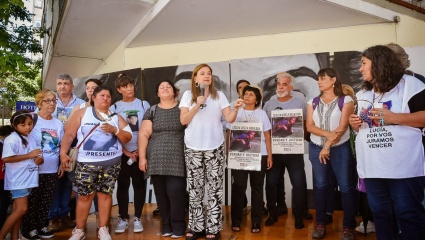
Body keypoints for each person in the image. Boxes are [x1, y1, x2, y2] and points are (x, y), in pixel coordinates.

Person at [349, 45, 425, 240]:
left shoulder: (411, 85)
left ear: (379, 63)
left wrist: (393, 117)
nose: (360, 68)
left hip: (404, 168)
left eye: (364, 63)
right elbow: (364, 128)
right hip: (374, 168)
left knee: (407, 214)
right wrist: (355, 124)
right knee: (382, 215)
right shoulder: (363, 94)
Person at [179, 63, 243, 240]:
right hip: (193, 147)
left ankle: (213, 228)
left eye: (209, 73)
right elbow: (183, 120)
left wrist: (236, 108)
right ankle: (196, 226)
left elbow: (229, 118)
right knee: (195, 189)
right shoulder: (188, 95)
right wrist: (196, 105)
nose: (207, 76)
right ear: (195, 78)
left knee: (215, 189)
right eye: (202, 73)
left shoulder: (219, 95)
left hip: (214, 146)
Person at [60, 86, 132, 240]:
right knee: (84, 196)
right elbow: (69, 134)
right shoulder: (82, 113)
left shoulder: (116, 117)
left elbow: (127, 138)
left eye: (108, 96)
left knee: (105, 195)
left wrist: (115, 130)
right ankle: (79, 230)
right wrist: (63, 154)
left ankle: (103, 228)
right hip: (86, 162)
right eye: (102, 95)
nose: (105, 98)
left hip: (111, 163)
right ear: (93, 97)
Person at [306, 68, 357, 240]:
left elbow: (343, 127)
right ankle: (320, 224)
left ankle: (348, 227)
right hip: (315, 147)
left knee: (346, 186)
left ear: (333, 80)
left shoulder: (346, 100)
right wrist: (328, 135)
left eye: (323, 78)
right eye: (318, 79)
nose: (319, 82)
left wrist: (328, 144)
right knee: (320, 186)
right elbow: (309, 127)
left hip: (339, 148)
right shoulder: (312, 102)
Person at [139, 80, 186, 238]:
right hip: (156, 157)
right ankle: (166, 225)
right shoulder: (152, 111)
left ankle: (178, 225)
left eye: (168, 87)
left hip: (177, 157)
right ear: (158, 94)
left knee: (175, 191)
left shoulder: (183, 109)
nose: (165, 89)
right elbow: (144, 135)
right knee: (161, 193)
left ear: (175, 92)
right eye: (161, 87)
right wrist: (142, 157)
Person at [263, 72, 310, 229]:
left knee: (298, 183)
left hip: (293, 152)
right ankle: (272, 213)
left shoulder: (299, 103)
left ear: (291, 87)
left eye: (284, 84)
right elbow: (265, 129)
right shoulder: (268, 104)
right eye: (279, 84)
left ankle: (298, 215)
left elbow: (304, 126)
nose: (281, 87)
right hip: (274, 152)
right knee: (271, 183)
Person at [227, 85, 272, 234]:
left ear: (257, 99)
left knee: (257, 188)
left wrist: (270, 156)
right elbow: (229, 132)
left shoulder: (262, 114)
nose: (247, 96)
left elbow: (267, 136)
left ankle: (256, 221)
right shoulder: (235, 112)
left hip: (260, 155)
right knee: (238, 187)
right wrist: (228, 153)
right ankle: (236, 221)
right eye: (245, 94)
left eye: (251, 94)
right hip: (238, 155)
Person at [21, 90, 64, 239]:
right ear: (39, 103)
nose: (51, 103)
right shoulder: (32, 119)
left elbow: (60, 146)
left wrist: (61, 163)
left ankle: (42, 226)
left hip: (51, 168)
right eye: (47, 100)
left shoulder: (58, 123)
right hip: (33, 169)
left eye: (53, 100)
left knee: (46, 200)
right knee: (32, 200)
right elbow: (23, 142)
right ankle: (28, 229)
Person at [110, 73, 149, 234]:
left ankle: (138, 217)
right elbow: (112, 133)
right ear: (119, 89)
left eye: (131, 85)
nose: (129, 88)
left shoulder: (143, 104)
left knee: (140, 185)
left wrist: (141, 150)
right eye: (125, 86)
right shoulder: (114, 108)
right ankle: (123, 218)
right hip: (122, 153)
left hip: (140, 152)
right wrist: (125, 151)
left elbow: (148, 128)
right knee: (123, 186)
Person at [48, 73, 85, 232]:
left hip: (73, 147)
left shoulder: (81, 103)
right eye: (59, 83)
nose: (62, 86)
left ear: (72, 86)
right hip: (51, 147)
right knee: (54, 182)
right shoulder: (49, 101)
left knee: (70, 183)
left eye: (65, 83)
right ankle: (53, 217)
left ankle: (64, 214)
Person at [0, 111, 44, 240]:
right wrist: (29, 156)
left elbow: (39, 158)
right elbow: (7, 158)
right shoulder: (12, 139)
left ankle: (15, 237)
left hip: (28, 179)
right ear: (14, 125)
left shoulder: (31, 138)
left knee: (17, 211)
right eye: (23, 125)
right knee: (21, 210)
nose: (28, 127)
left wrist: (39, 160)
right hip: (18, 180)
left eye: (30, 124)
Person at [69, 78, 102, 227]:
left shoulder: (108, 107)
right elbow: (68, 130)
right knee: (82, 191)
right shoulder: (79, 108)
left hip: (103, 156)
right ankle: (79, 224)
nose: (90, 90)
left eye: (93, 87)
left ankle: (101, 221)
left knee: (101, 190)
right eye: (88, 88)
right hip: (84, 157)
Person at [0, 125, 13, 229]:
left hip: (4, 177)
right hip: (3, 177)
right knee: (3, 202)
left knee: (4, 202)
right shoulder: (4, 146)